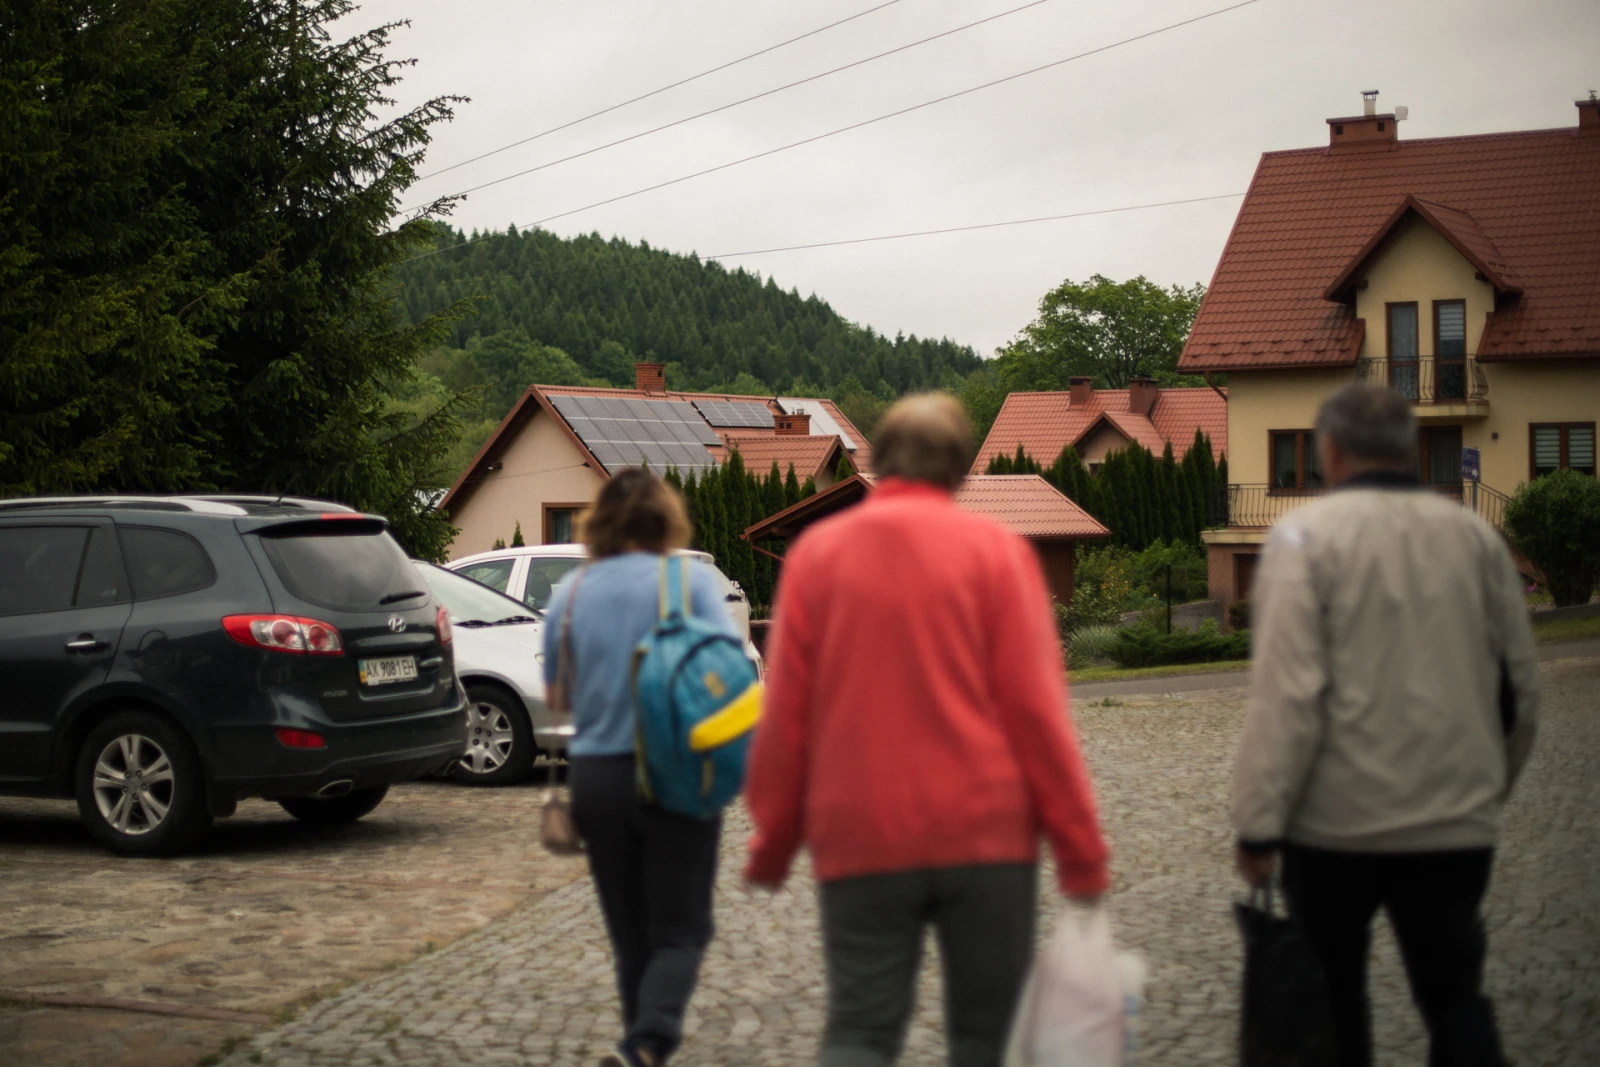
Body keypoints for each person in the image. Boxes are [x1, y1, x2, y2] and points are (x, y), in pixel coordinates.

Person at [744, 393, 1110, 1067]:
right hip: (986, 838)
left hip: (862, 835)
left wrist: (774, 838)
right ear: (960, 469)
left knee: (860, 1031)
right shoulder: (998, 554)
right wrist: (1080, 848)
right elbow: (1036, 714)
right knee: (989, 1037)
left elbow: (788, 713)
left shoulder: (818, 557)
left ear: (879, 461)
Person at [1232, 383, 1541, 1067]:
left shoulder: (1304, 539)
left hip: (1333, 830)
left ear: (1330, 451)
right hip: (1453, 820)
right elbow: (1520, 689)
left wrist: (1258, 824)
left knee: (1333, 1001)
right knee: (1456, 997)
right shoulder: (1477, 540)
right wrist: (1487, 788)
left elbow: (1286, 699)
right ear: (1410, 449)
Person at [542, 468, 741, 1067]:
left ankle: (640, 1052)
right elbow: (727, 673)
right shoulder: (689, 582)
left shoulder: (570, 592)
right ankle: (649, 1042)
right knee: (682, 930)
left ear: (599, 522)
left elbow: (557, 695)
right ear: (665, 519)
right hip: (676, 768)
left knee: (631, 939)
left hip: (598, 779)